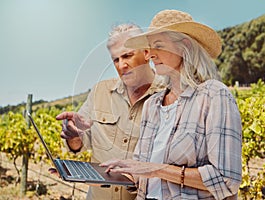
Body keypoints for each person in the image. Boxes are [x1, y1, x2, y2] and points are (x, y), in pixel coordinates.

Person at [101, 9, 242, 200]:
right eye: (149, 47)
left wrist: (157, 169)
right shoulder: (153, 105)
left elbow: (226, 179)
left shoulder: (214, 95)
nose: (150, 55)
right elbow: (142, 170)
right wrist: (105, 174)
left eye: (158, 45)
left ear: (184, 46)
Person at [55, 23, 165, 200]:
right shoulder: (100, 91)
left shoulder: (169, 95)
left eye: (127, 55)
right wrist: (74, 136)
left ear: (146, 53)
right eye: (116, 59)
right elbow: (82, 142)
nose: (122, 65)